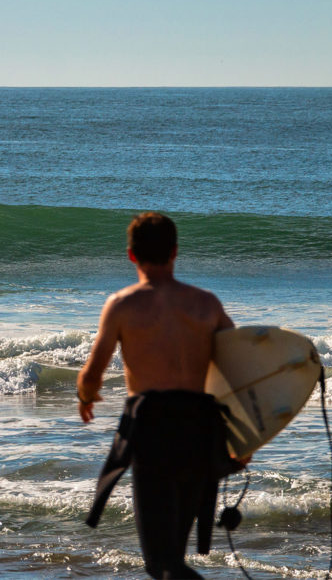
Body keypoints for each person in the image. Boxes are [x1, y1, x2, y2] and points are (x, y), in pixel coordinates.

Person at [78, 212, 244, 579]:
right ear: (175, 252)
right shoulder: (207, 305)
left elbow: (92, 374)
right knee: (173, 557)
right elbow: (241, 373)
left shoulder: (123, 304)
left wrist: (85, 397)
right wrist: (244, 442)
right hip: (200, 431)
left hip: (153, 431)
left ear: (131, 256)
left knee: (162, 564)